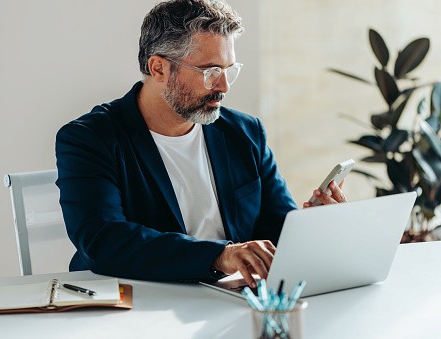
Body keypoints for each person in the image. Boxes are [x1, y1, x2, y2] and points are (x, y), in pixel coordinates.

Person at [55, 0, 346, 289]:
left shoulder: (245, 133)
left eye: (229, 70)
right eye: (210, 72)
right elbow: (103, 240)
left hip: (230, 300)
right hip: (134, 301)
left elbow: (274, 229)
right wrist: (219, 256)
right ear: (158, 68)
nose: (224, 86)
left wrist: (312, 228)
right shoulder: (89, 138)